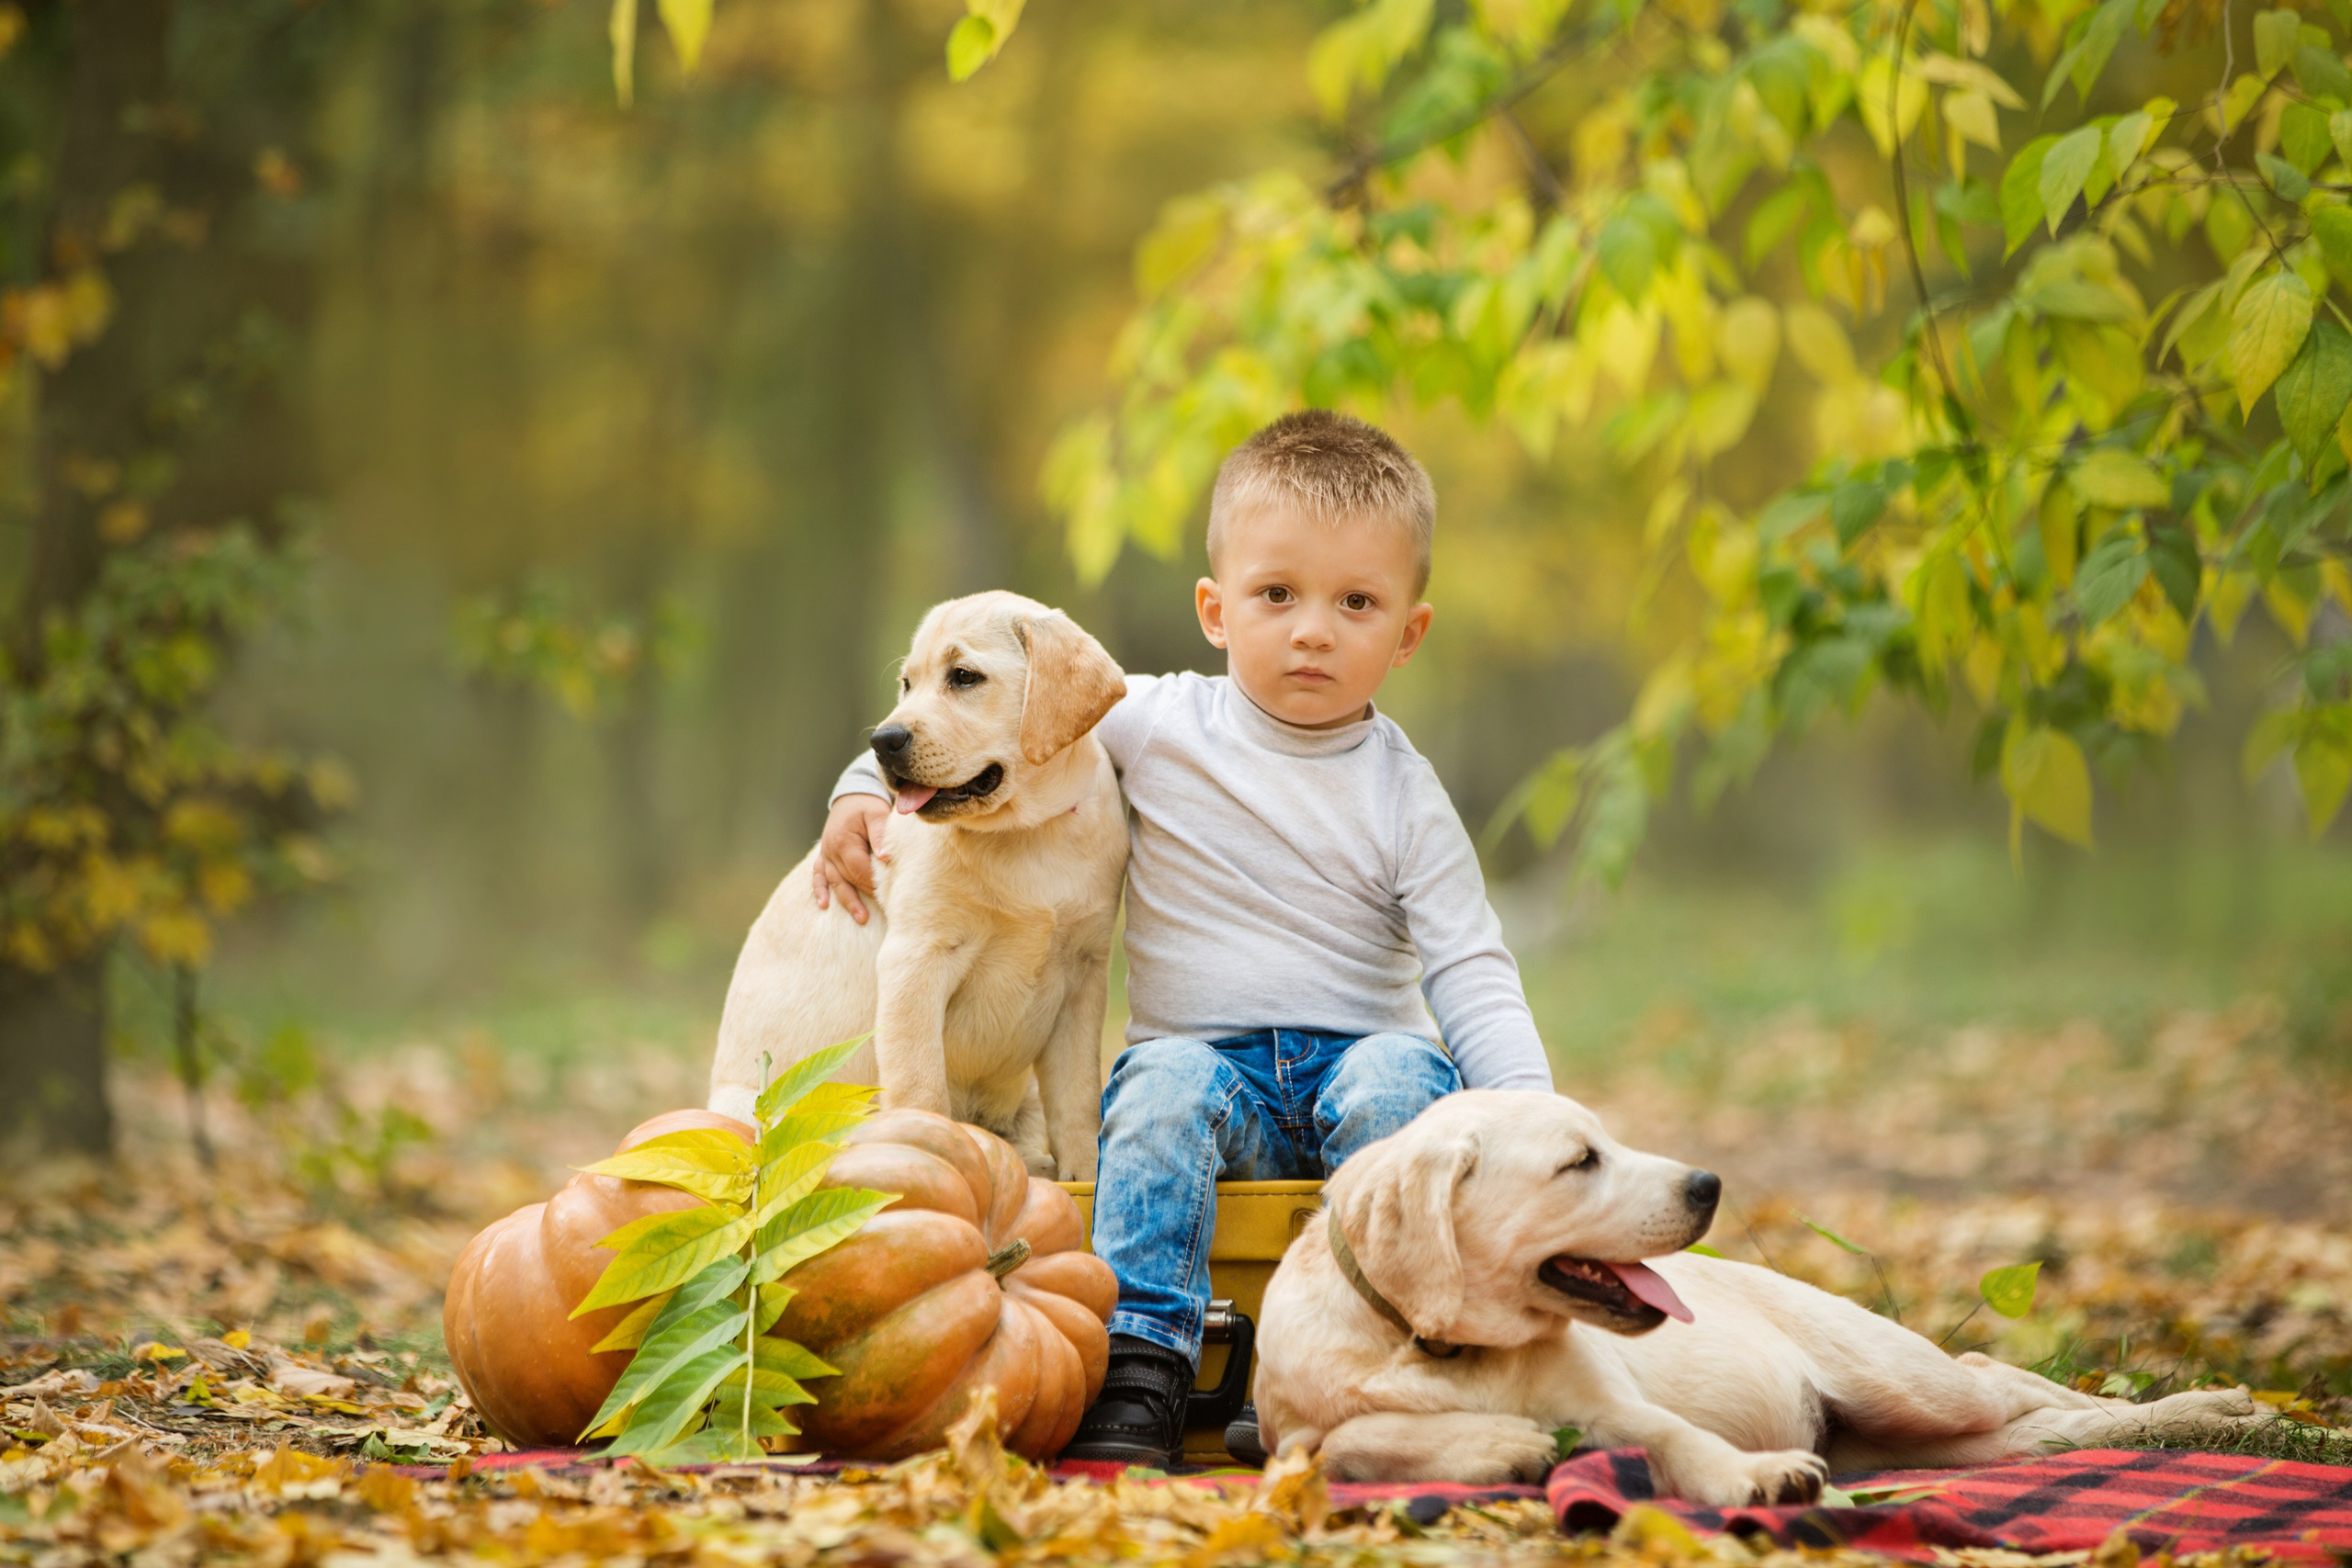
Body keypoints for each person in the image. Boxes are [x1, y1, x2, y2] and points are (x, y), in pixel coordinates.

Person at [813, 410, 1555, 1466]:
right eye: (1276, 595)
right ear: (1214, 609)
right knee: (1154, 1095)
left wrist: (1533, 1117)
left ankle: (1350, 1362)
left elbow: (1470, 968)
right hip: (1208, 1072)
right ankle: (1143, 1363)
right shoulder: (1154, 721)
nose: (1312, 630)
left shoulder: (1406, 795)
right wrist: (858, 789)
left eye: (1356, 603)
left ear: (1408, 631)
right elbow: (966, 726)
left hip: (1358, 1056)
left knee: (1401, 1083)